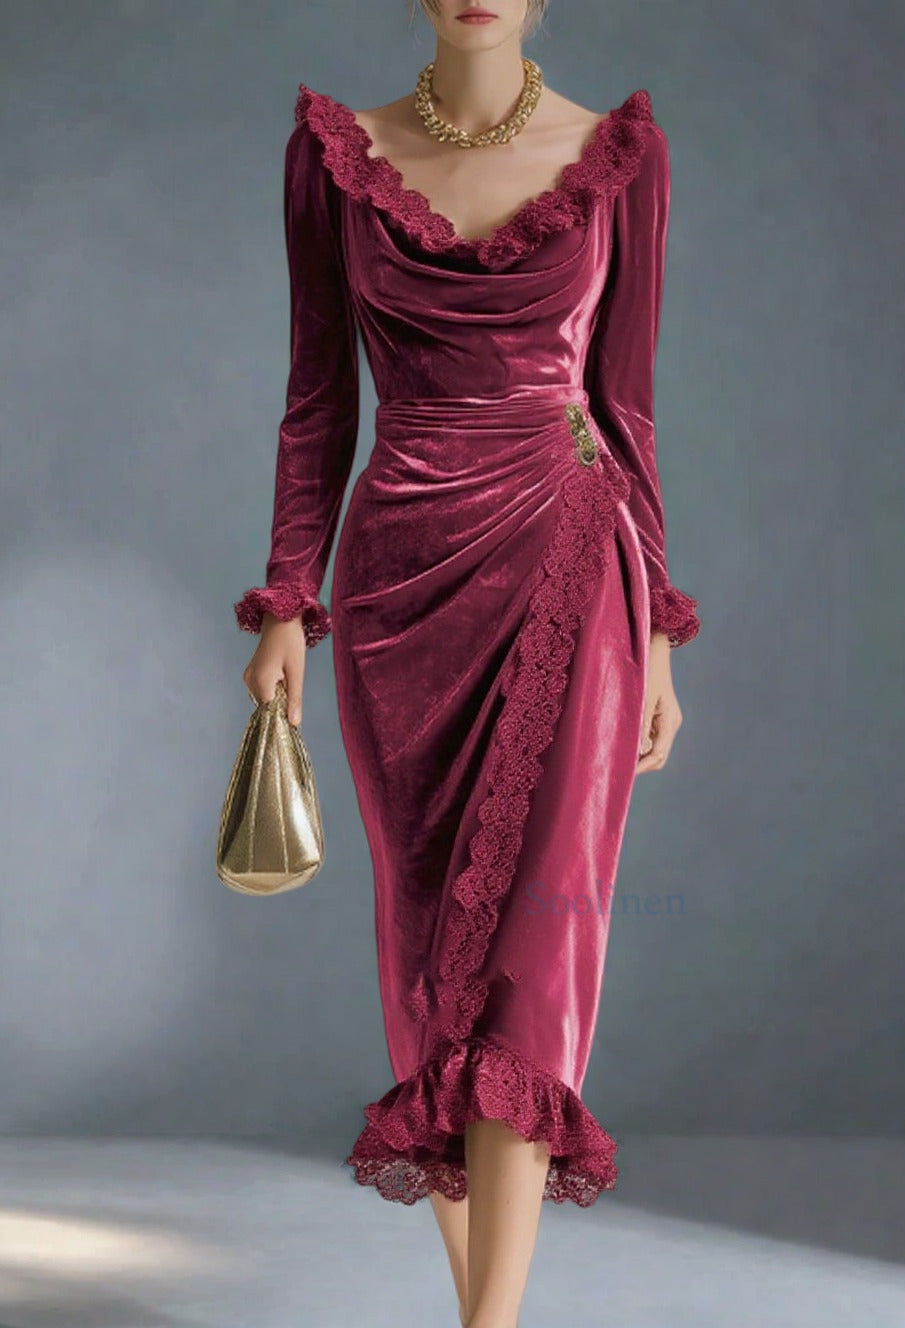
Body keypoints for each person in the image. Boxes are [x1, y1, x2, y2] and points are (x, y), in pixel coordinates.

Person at [234, 2, 701, 1324]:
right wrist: (288, 602)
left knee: (536, 963)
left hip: (572, 558)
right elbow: (318, 397)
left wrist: (660, 632)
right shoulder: (337, 157)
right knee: (428, 968)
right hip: (397, 589)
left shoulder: (619, 156)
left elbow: (626, 406)